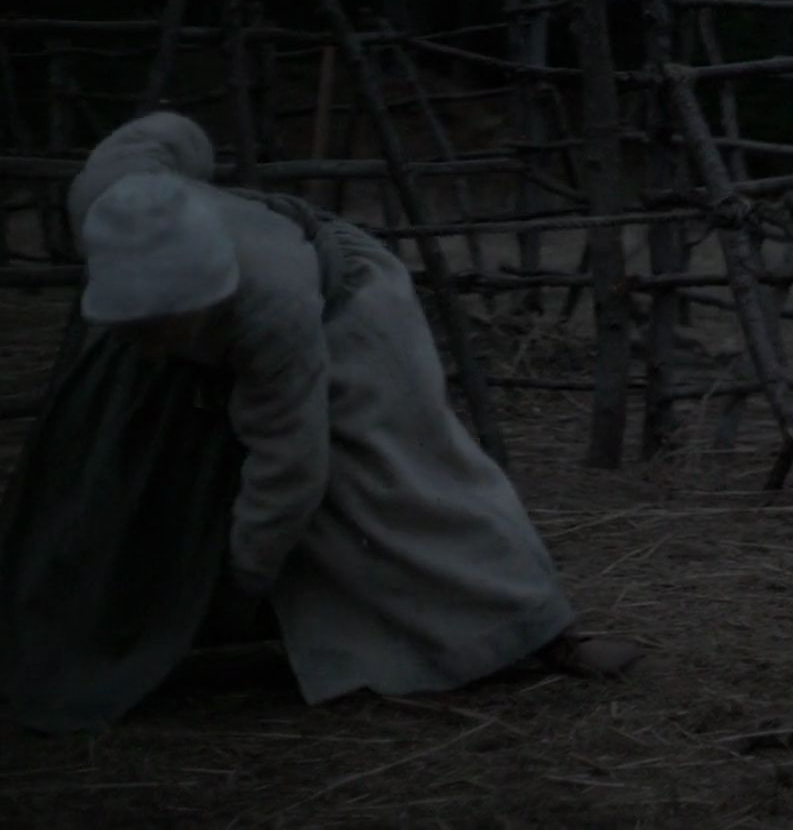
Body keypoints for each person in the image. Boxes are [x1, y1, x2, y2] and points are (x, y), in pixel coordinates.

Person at [0, 110, 642, 734]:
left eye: (178, 320)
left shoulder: (274, 314)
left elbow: (290, 464)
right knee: (112, 461)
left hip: (345, 304)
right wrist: (195, 186)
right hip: (229, 322)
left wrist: (246, 574)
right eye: (149, 324)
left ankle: (532, 627)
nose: (164, 334)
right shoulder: (106, 193)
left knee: (390, 478)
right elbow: (173, 132)